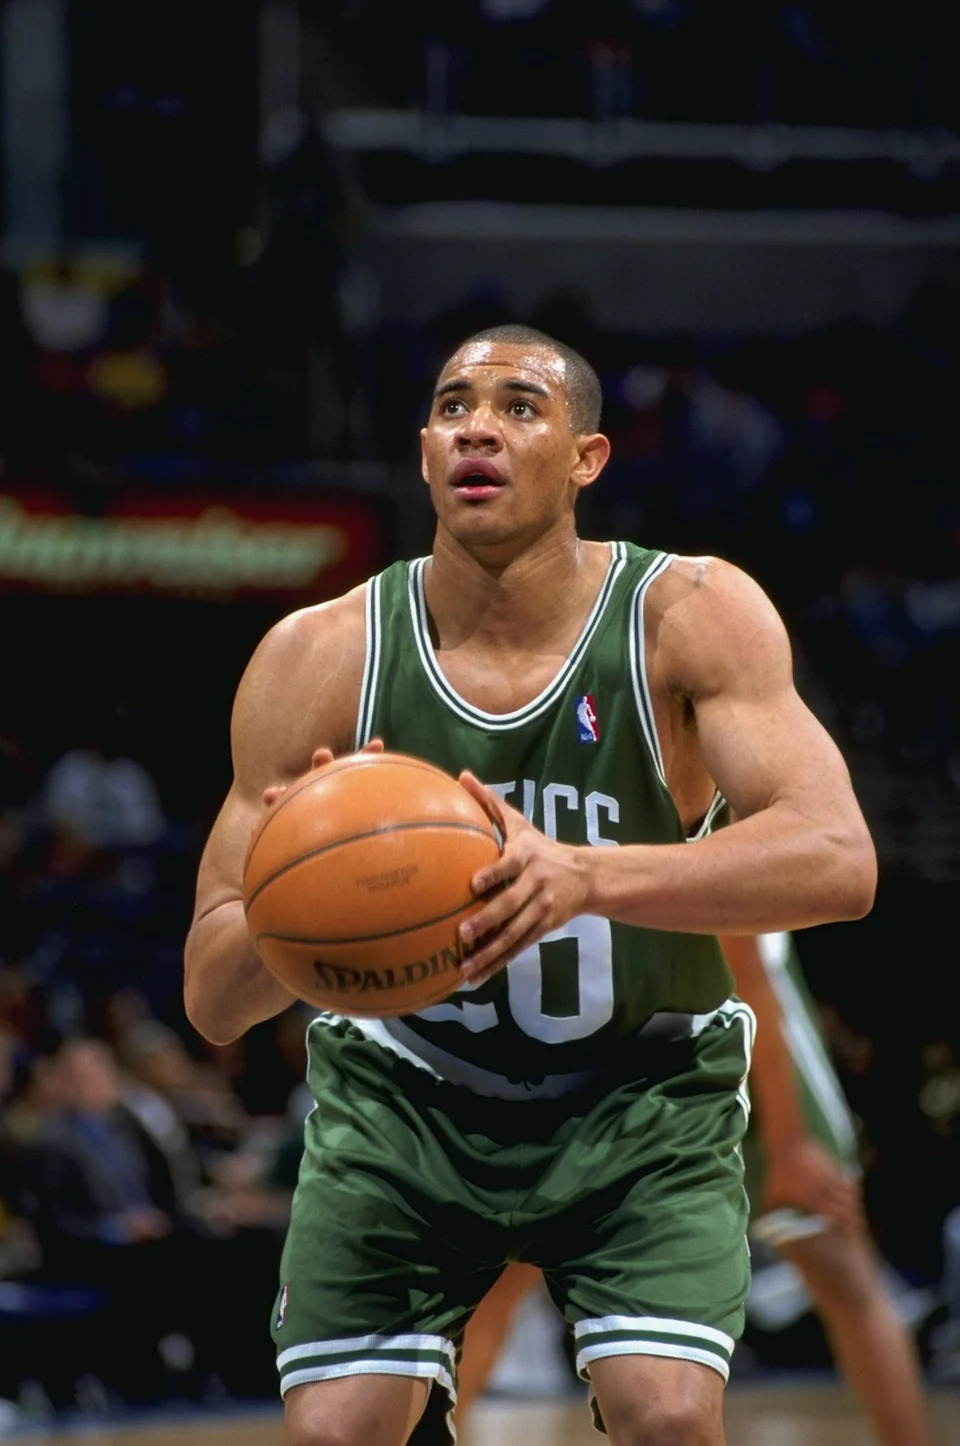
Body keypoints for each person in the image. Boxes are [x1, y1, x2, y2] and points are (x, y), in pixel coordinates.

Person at [183, 323, 876, 1446]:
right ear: (421, 454)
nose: (480, 429)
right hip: (404, 1099)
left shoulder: (688, 614)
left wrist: (586, 876)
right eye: (456, 406)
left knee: (665, 1417)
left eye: (519, 407)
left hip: (640, 1093)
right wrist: (303, 885)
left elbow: (839, 860)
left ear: (586, 458)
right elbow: (212, 1001)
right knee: (334, 1433)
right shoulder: (319, 657)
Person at [454, 931, 935, 1446]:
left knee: (839, 1263)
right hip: (620, 1012)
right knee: (510, 1269)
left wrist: (790, 1142)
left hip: (746, 1013)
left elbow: (743, 949)